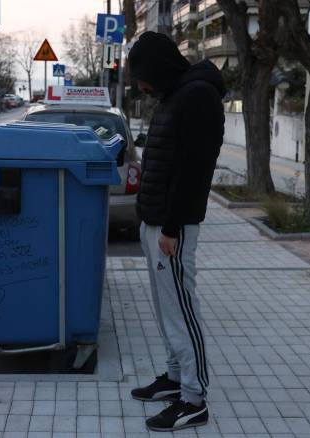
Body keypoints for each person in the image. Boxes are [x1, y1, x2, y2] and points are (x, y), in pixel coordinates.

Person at [127, 31, 224, 432]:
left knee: (182, 310)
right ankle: (173, 377)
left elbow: (194, 170)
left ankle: (194, 398)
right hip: (157, 221)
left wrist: (168, 226)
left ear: (158, 68)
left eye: (142, 77)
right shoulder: (174, 94)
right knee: (166, 309)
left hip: (174, 227)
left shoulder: (197, 96)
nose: (141, 86)